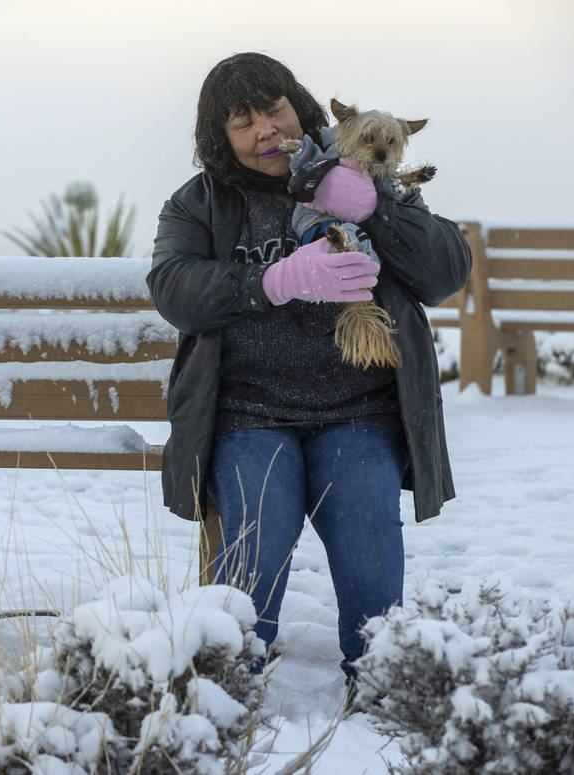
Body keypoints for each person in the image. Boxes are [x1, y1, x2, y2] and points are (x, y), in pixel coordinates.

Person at [146, 52, 471, 684]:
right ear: (221, 138)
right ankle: (227, 688)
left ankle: (381, 687)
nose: (265, 130)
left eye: (273, 109)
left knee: (369, 528)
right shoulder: (197, 204)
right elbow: (172, 286)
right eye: (243, 123)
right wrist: (273, 279)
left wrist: (371, 204)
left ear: (298, 105)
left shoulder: (360, 165)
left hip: (358, 414)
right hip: (250, 416)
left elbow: (446, 271)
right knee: (256, 532)